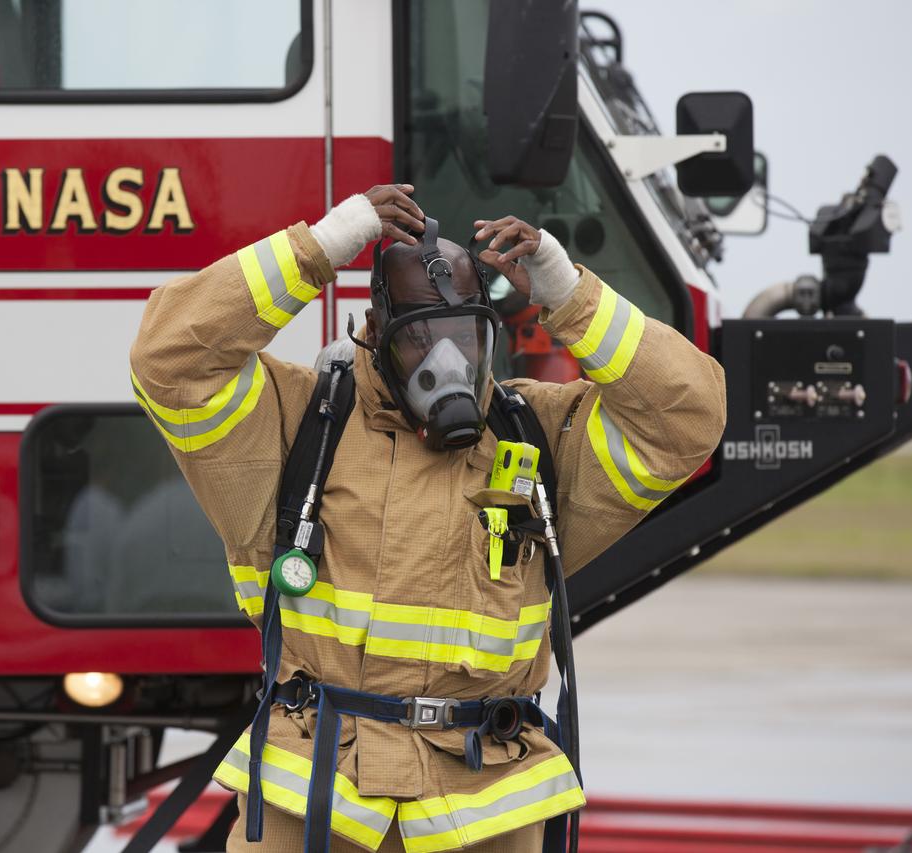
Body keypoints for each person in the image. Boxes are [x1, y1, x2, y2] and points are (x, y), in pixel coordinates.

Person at [129, 185, 727, 852]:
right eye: (420, 338)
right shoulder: (296, 425)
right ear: (376, 332)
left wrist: (567, 293)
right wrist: (317, 249)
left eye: (465, 337)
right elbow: (169, 358)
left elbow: (688, 416)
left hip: (485, 808)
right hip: (315, 799)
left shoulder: (538, 436)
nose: (448, 364)